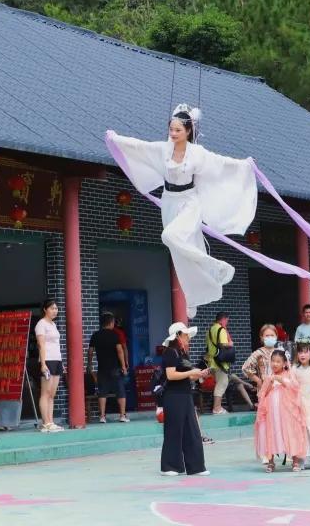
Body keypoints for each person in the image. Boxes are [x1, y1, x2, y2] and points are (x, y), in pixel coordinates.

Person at [107, 106, 257, 318]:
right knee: (179, 251)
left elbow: (221, 163)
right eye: (171, 129)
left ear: (188, 131)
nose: (173, 133)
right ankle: (194, 296)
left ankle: (214, 266)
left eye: (178, 130)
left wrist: (244, 165)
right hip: (169, 201)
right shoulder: (163, 149)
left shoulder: (197, 153)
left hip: (189, 202)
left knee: (169, 236)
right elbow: (141, 147)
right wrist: (117, 139)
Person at [159, 322, 209, 476]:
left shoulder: (182, 354)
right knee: (174, 430)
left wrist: (199, 375)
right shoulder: (170, 352)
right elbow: (171, 375)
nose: (188, 338)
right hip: (173, 396)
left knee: (192, 430)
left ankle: (196, 466)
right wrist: (191, 373)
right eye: (186, 335)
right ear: (178, 336)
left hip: (185, 395)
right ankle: (169, 466)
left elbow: (187, 376)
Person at [254, 349, 308, 472]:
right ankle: (271, 461)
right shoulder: (269, 377)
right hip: (272, 412)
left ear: (284, 363)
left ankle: (295, 461)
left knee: (290, 432)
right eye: (273, 361)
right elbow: (262, 394)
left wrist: (281, 380)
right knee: (270, 432)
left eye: (278, 361)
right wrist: (269, 384)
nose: (275, 364)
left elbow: (295, 387)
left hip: (287, 411)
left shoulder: (288, 375)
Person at [206, 312, 253, 414]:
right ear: (223, 319)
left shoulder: (210, 330)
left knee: (221, 382)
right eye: (227, 320)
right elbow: (223, 344)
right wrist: (230, 343)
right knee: (222, 383)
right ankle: (217, 408)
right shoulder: (221, 330)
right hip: (220, 362)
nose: (227, 322)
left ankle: (217, 407)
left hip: (212, 361)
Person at [88, 312, 130, 423]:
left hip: (102, 368)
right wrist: (123, 366)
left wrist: (90, 365)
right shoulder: (114, 335)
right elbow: (120, 351)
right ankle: (122, 415)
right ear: (111, 323)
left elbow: (90, 352)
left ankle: (102, 416)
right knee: (120, 391)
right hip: (115, 368)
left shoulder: (95, 335)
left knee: (102, 392)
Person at [35, 299, 64, 432]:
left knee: (52, 394)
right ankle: (45, 422)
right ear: (45, 310)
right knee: (45, 393)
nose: (55, 311)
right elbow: (41, 345)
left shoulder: (53, 324)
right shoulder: (41, 324)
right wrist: (43, 363)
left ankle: (50, 421)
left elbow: (55, 344)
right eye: (52, 308)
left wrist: (61, 363)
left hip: (57, 360)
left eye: (56, 308)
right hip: (47, 361)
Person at [242, 324, 282, 390]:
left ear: (276, 336)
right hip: (264, 389)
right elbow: (245, 368)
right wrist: (258, 380)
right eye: (267, 336)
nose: (270, 338)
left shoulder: (280, 352)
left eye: (272, 335)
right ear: (262, 337)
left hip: (279, 389)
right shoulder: (258, 353)